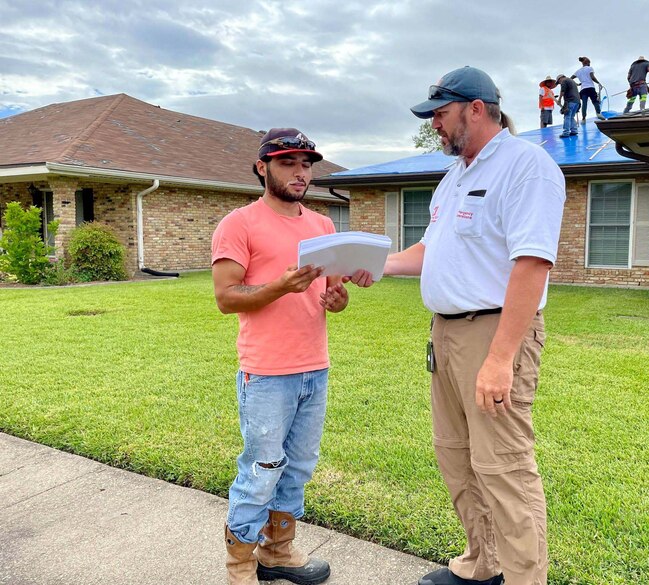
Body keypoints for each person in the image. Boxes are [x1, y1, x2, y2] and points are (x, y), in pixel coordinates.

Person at [352, 66, 565, 585]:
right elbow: (432, 249)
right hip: (444, 334)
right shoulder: (455, 177)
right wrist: (377, 264)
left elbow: (532, 264)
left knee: (504, 466)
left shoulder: (526, 167)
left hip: (493, 334)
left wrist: (500, 357)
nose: (435, 127)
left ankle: (523, 579)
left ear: (475, 107)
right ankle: (482, 564)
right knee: (456, 456)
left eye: (440, 115)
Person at [212, 128, 350, 585]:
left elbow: (334, 292)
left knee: (298, 468)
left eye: (306, 164)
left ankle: (278, 553)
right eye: (288, 162)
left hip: (315, 366)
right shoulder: (239, 223)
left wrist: (338, 299)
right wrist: (278, 287)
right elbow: (226, 297)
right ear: (262, 167)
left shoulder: (322, 225)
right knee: (262, 469)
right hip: (267, 374)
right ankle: (240, 568)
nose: (300, 172)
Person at [571, 56, 606, 124]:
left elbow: (570, 79)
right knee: (595, 101)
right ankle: (598, 113)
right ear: (588, 62)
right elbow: (592, 77)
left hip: (583, 89)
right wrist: (599, 83)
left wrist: (577, 84)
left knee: (584, 103)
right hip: (590, 87)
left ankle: (583, 118)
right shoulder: (590, 68)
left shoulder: (578, 71)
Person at [555, 73, 580, 138]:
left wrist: (559, 100)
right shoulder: (572, 81)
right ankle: (574, 131)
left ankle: (566, 133)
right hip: (577, 101)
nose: (560, 83)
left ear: (560, 78)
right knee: (571, 117)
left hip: (570, 101)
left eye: (559, 82)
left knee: (567, 116)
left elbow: (562, 91)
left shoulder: (564, 81)